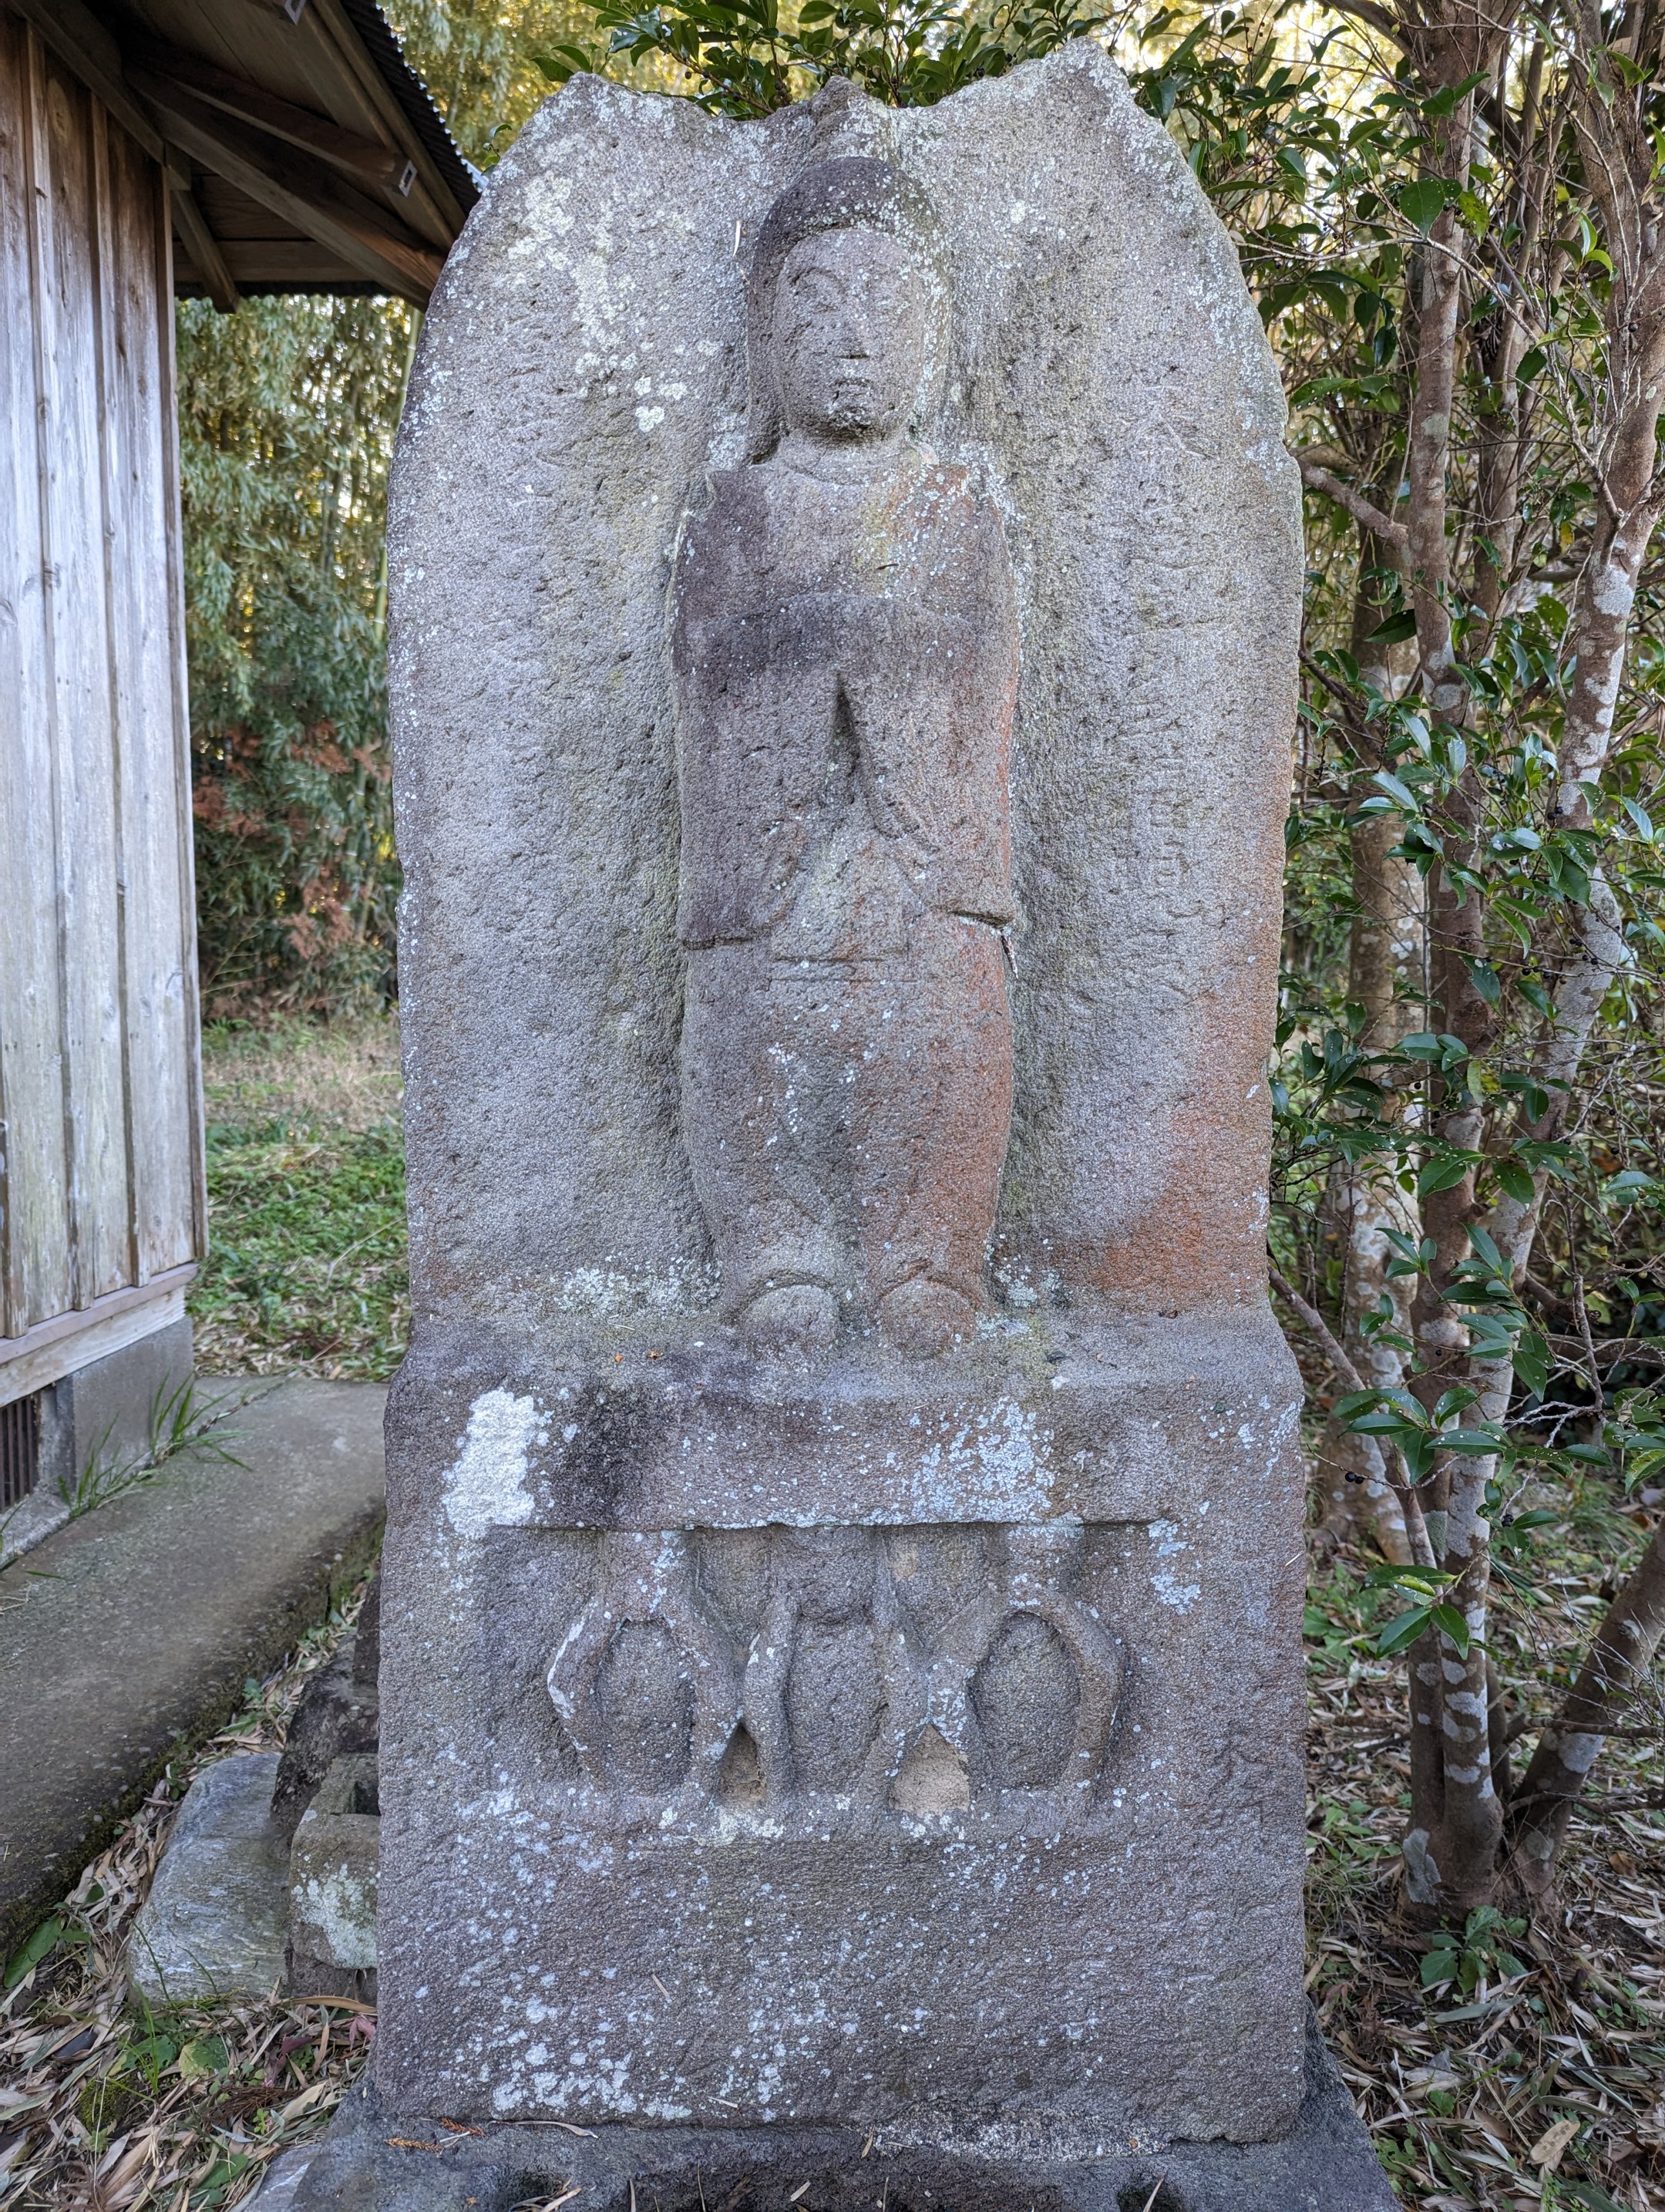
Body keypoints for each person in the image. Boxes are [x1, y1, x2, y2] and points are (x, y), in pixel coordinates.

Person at [671, 156, 1019, 1360]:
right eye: (814, 302)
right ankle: (777, 1256)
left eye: (886, 301)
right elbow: (711, 683)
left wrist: (854, 647)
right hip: (770, 868)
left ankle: (926, 1260)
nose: (853, 335)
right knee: (743, 997)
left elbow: (974, 688)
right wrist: (837, 638)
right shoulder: (733, 511)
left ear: (935, 334)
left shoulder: (957, 509)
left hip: (917, 863)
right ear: (766, 341)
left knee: (956, 983)